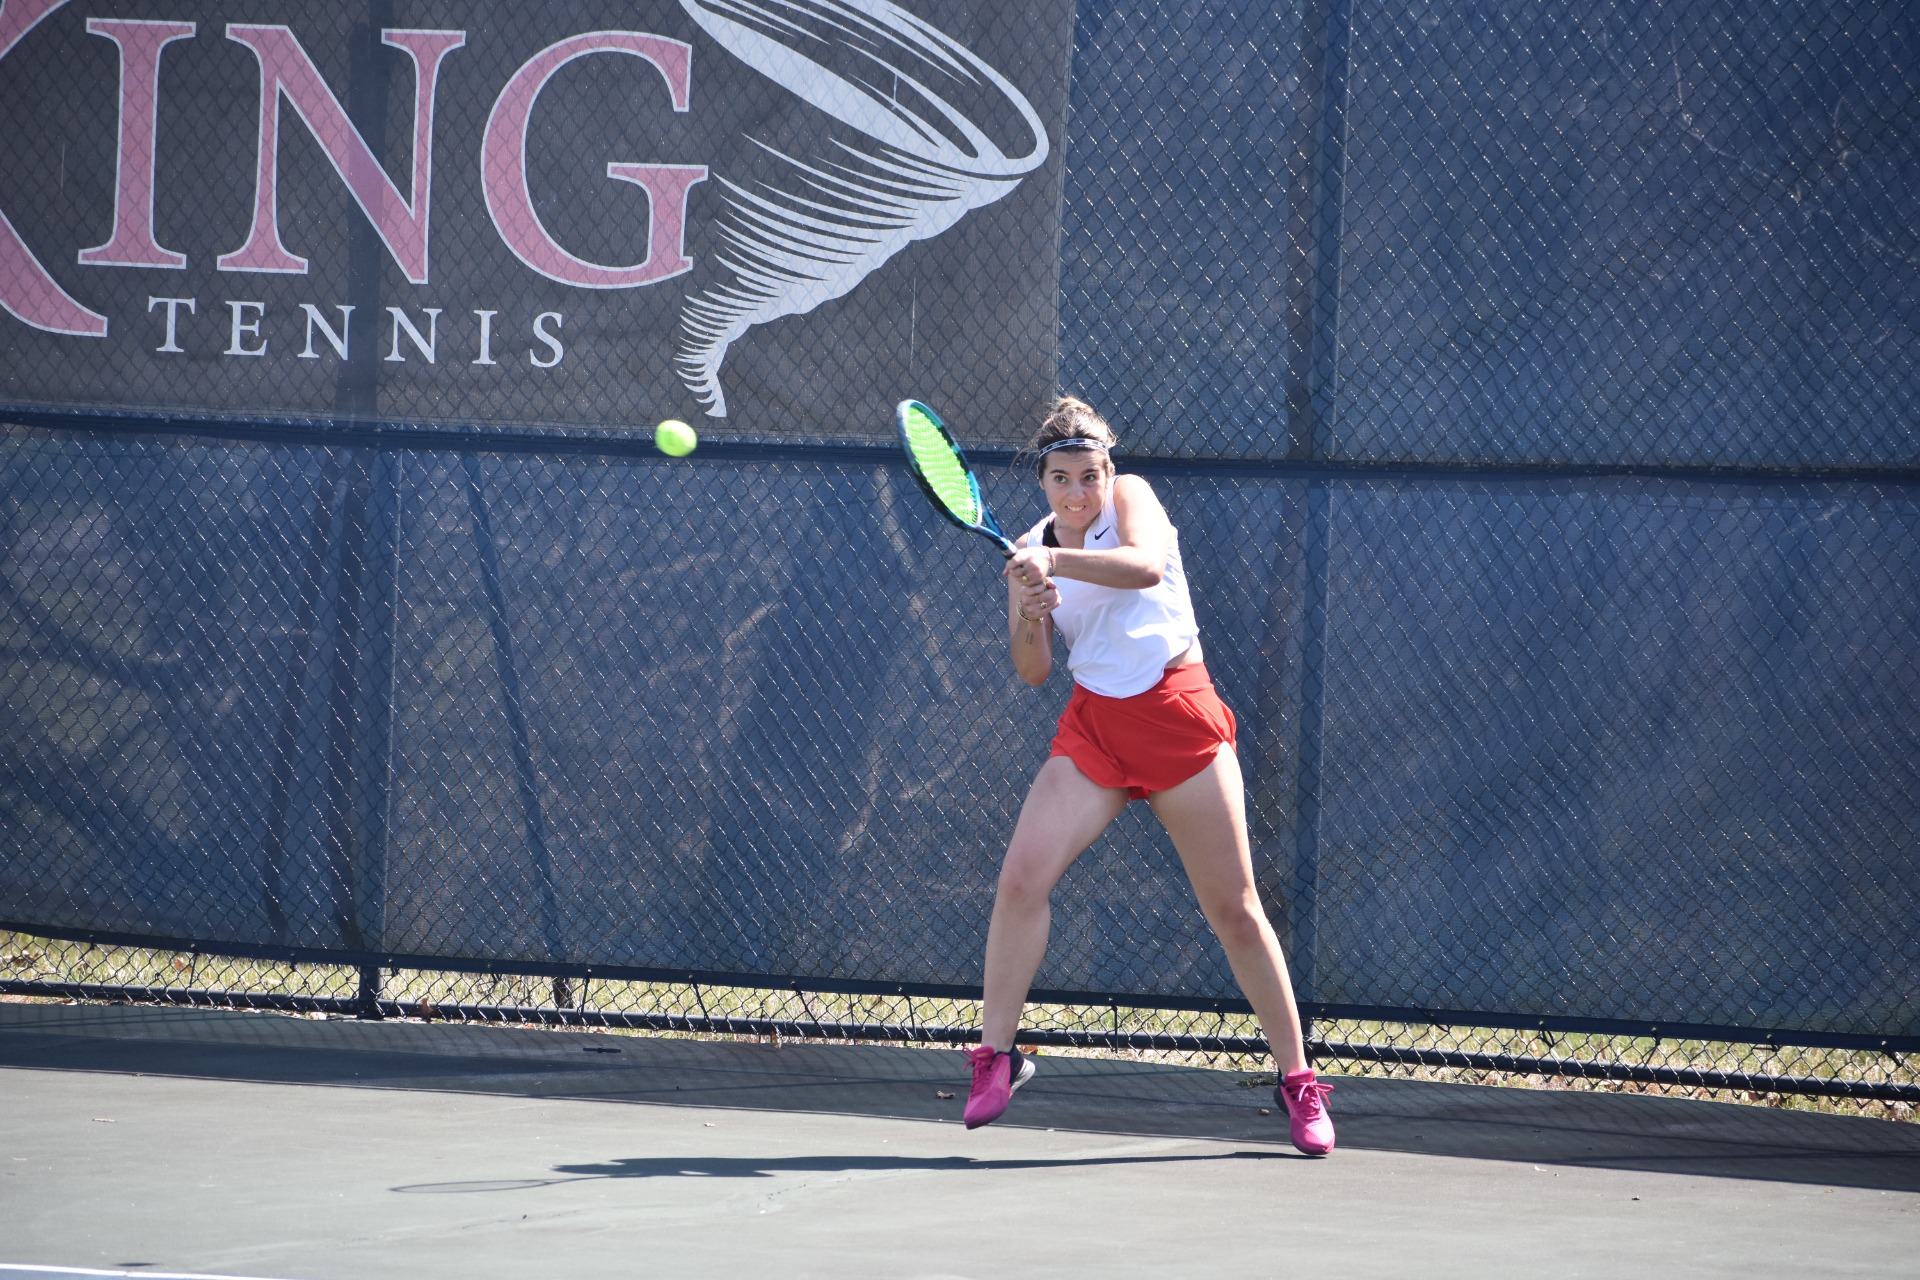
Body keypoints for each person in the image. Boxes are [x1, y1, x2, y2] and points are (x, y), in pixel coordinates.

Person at [962, 396, 1335, 1156]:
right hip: (1095, 729)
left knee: (1234, 909)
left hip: (1176, 717)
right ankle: (995, 1058)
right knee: (1020, 880)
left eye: (1089, 476)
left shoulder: (1130, 501)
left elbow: (1145, 566)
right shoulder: (1029, 548)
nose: (1077, 492)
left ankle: (1298, 1081)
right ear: (1042, 481)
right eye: (1062, 478)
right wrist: (1031, 606)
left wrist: (1056, 564)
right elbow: (1033, 671)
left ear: (1108, 472)